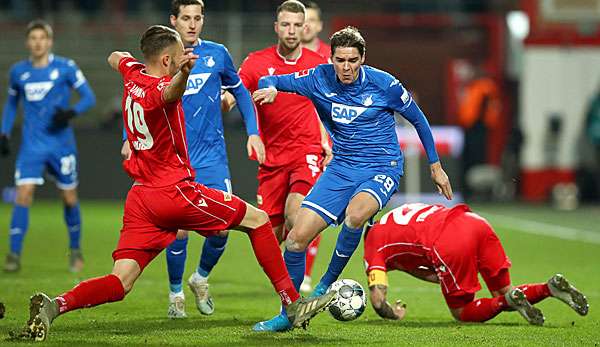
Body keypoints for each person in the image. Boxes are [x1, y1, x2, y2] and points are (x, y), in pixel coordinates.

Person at [14, 25, 334, 342]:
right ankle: (292, 304)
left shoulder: (132, 73)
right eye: (181, 53)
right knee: (258, 220)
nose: (186, 56)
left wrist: (135, 62)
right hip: (175, 192)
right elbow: (171, 93)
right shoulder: (160, 91)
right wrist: (183, 73)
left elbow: (116, 57)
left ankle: (56, 305)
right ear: (168, 60)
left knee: (121, 281)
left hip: (141, 198)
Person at [251, 26, 453, 331]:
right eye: (340, 60)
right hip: (342, 167)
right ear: (330, 57)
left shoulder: (384, 84)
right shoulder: (318, 77)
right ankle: (290, 312)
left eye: (352, 61)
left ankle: (323, 288)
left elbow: (419, 120)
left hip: (381, 166)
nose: (346, 68)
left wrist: (435, 167)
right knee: (294, 240)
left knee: (355, 216)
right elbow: (271, 79)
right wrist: (270, 88)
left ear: (363, 59)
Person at [162, 0, 265, 319]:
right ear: (173, 21)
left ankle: (200, 278)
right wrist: (129, 140)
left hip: (211, 157)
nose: (192, 24)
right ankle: (176, 292)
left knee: (222, 228)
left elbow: (242, 92)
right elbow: (138, 95)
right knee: (179, 230)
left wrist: (253, 132)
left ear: (202, 20)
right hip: (175, 157)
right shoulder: (164, 57)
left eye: (197, 18)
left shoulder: (217, 54)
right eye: (186, 18)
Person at [234, 0, 331, 296]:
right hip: (272, 158)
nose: (291, 31)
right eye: (285, 25)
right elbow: (237, 92)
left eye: (296, 25)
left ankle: (296, 289)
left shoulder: (318, 65)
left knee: (297, 216)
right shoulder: (256, 62)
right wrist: (230, 106)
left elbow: (329, 107)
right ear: (276, 27)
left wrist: (329, 142)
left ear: (306, 27)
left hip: (306, 152)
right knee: (268, 235)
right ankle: (290, 279)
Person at [364, 203, 589, 324]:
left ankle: (503, 303)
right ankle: (549, 288)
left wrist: (393, 313)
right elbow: (423, 263)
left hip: (447, 241)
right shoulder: (395, 215)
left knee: (461, 311)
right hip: (474, 223)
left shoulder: (373, 246)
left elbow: (377, 300)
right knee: (504, 290)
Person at [0, 20, 96, 273]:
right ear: (27, 42)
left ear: (50, 41)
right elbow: (11, 105)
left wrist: (70, 113)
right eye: (33, 38)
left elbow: (89, 97)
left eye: (42, 38)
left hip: (61, 145)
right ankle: (13, 255)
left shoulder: (66, 67)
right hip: (32, 146)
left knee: (69, 198)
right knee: (23, 195)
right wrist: (4, 133)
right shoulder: (18, 72)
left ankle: (75, 250)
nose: (38, 42)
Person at [299, 0, 330, 293]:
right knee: (283, 220)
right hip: (283, 146)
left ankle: (306, 272)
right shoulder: (285, 57)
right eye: (300, 20)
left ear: (320, 26)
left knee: (312, 206)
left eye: (310, 20)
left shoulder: (331, 59)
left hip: (320, 145)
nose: (305, 25)